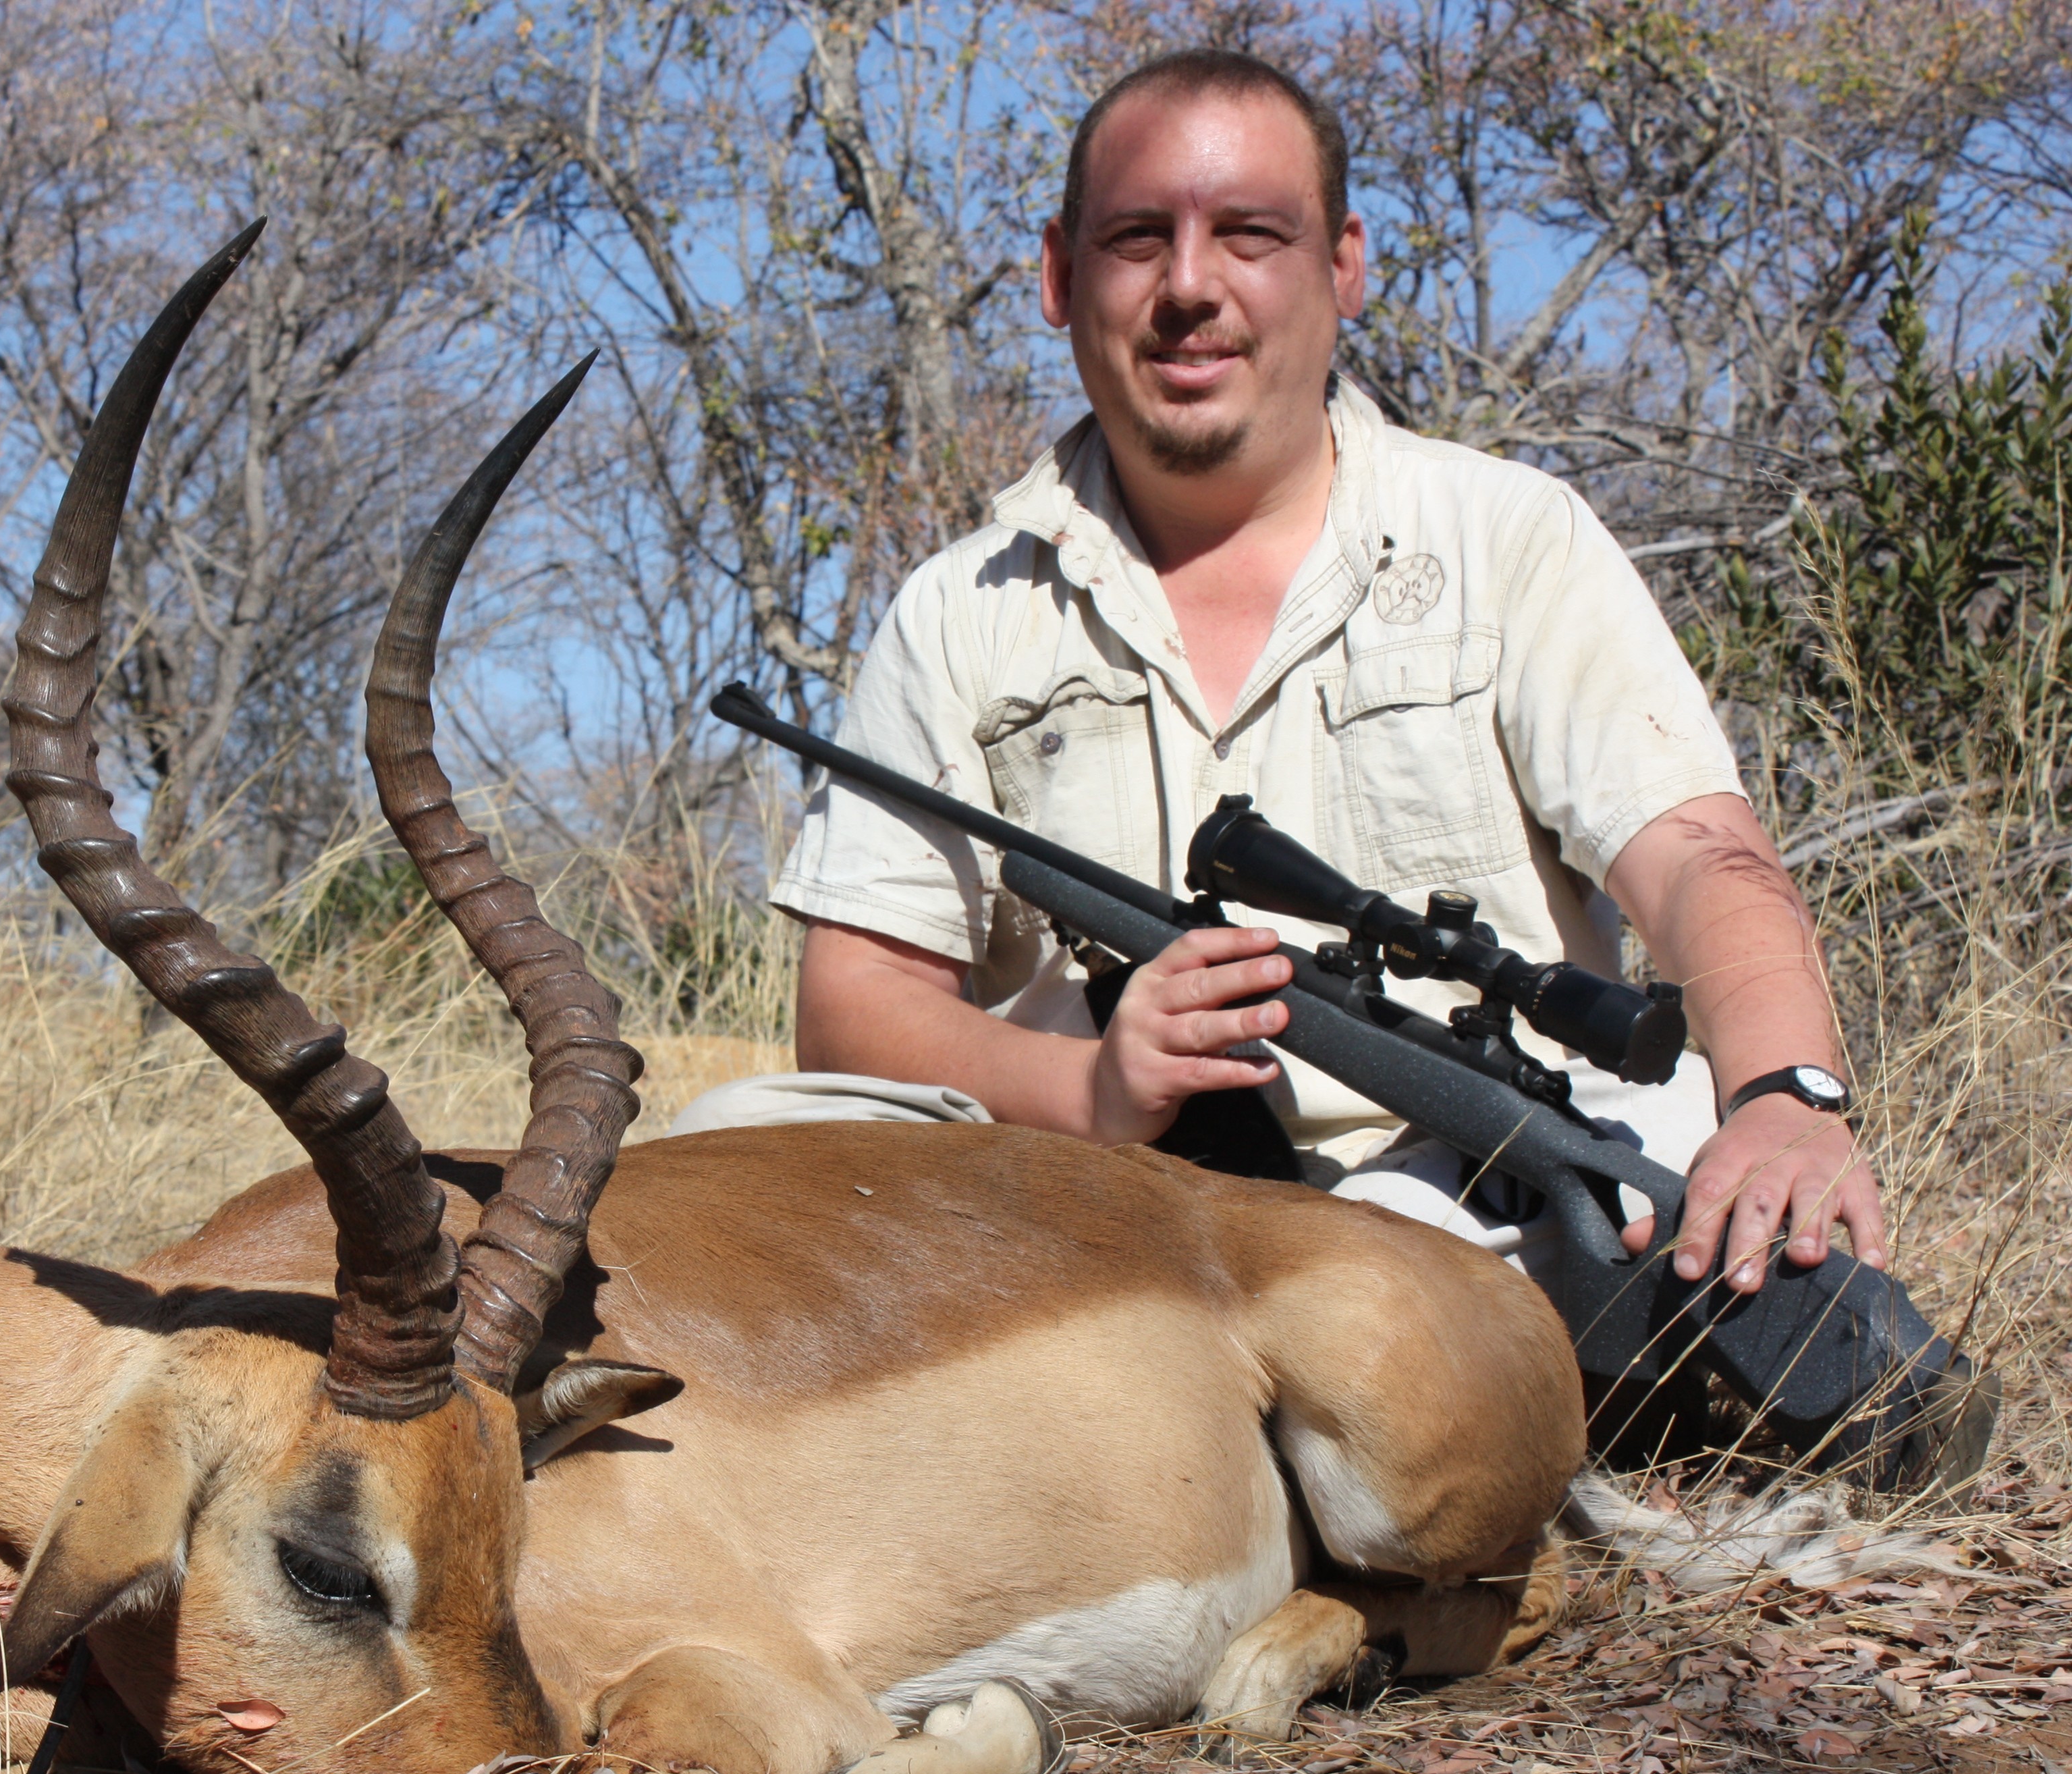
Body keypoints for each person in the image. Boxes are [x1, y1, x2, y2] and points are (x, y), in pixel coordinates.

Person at [672, 49, 1881, 1298]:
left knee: (1663, 1124)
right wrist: (1090, 1089)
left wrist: (1790, 1097)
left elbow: (1697, 855)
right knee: (725, 1155)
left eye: (1249, 233)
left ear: (1343, 265)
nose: (1190, 286)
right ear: (1058, 273)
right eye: (1139, 237)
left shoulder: (1509, 534)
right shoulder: (958, 608)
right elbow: (859, 998)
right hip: (1087, 1191)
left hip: (1455, 1185)